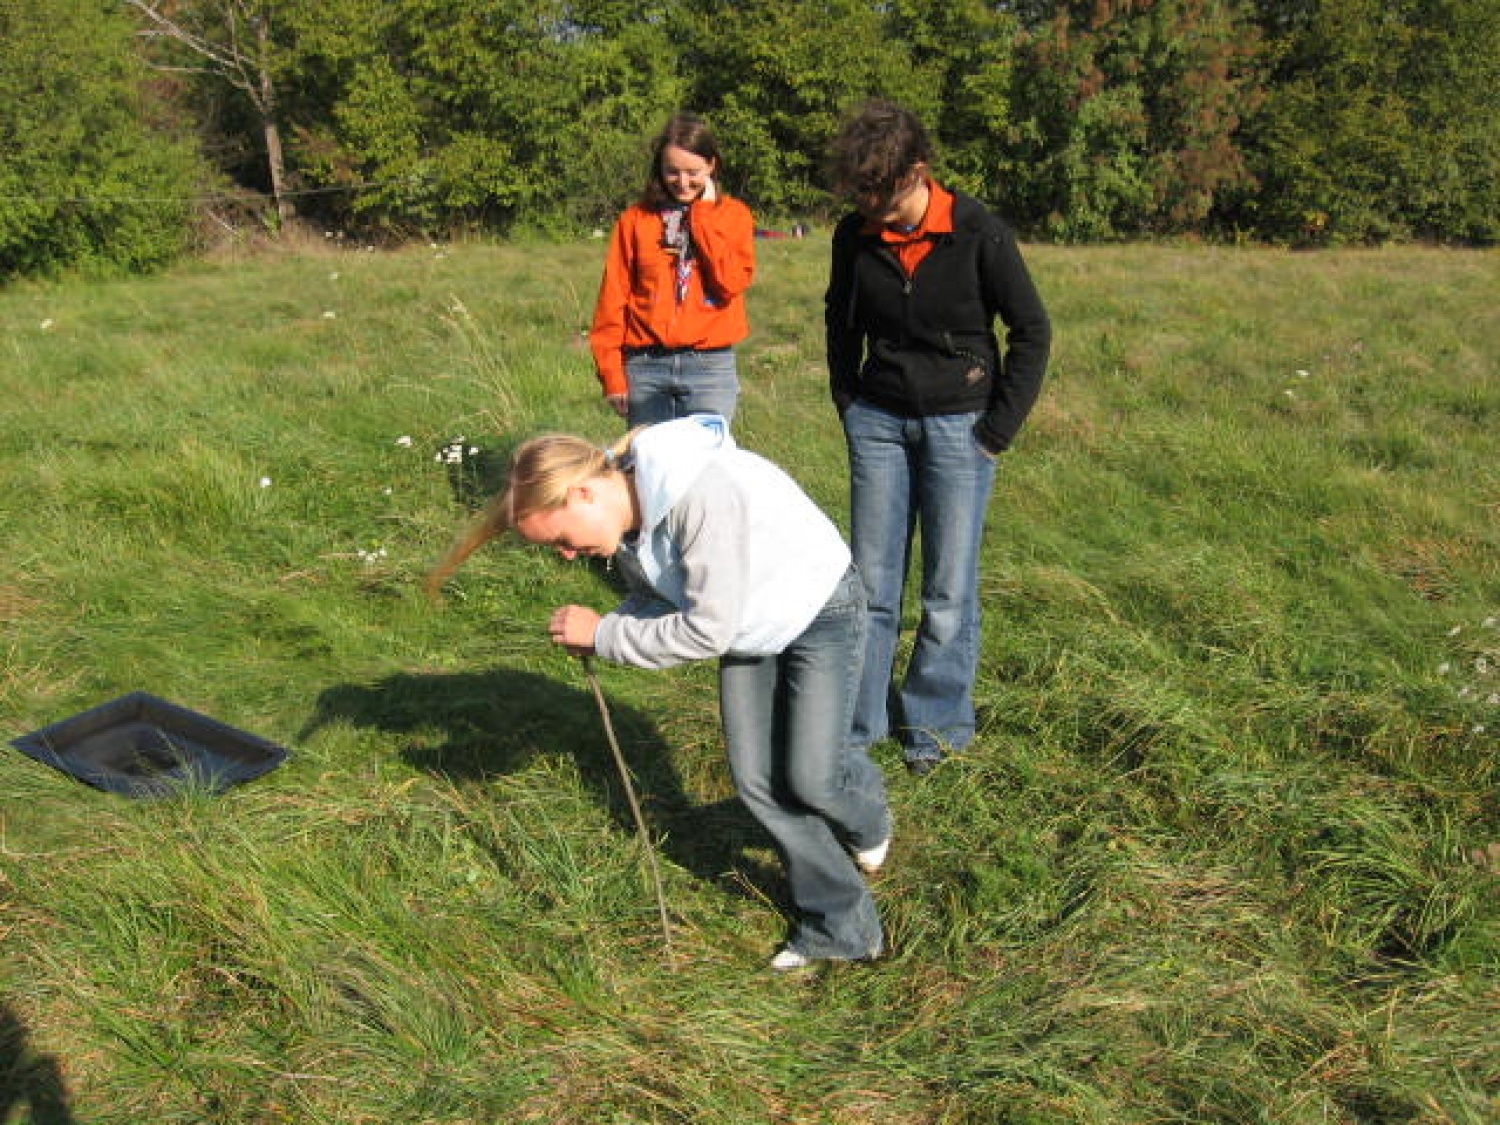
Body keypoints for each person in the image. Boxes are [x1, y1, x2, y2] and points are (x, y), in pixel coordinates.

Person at [427, 415, 890, 971]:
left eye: (562, 540)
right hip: (752, 628)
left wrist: (602, 633)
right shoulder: (626, 522)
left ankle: (862, 808)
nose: (568, 556)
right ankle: (843, 927)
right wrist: (609, 629)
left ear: (582, 493)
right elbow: (661, 599)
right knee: (760, 783)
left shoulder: (699, 493)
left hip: (819, 609)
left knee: (814, 777)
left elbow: (706, 630)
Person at [825, 99, 1051, 776]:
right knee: (870, 585)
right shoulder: (853, 235)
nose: (872, 211)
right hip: (878, 424)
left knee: (949, 589)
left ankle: (935, 728)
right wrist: (850, 402)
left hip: (962, 428)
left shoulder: (980, 232)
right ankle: (856, 727)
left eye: (882, 196)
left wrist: (995, 432)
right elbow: (840, 320)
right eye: (861, 196)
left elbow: (1032, 330)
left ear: (918, 172)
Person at [589, 113, 757, 428]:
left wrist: (702, 217)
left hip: (710, 369)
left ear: (711, 166)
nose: (682, 182)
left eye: (693, 172)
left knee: (705, 471)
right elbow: (613, 300)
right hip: (645, 367)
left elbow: (730, 282)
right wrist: (612, 374)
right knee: (650, 471)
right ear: (659, 169)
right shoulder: (636, 220)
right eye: (672, 172)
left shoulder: (734, 216)